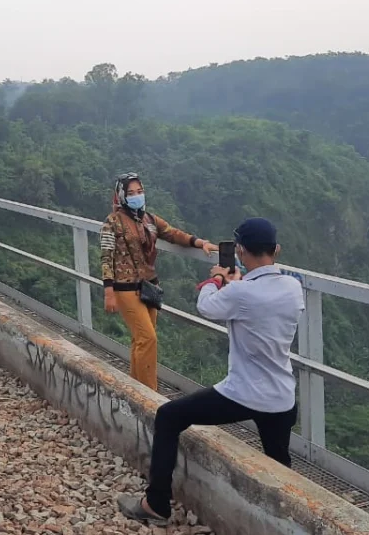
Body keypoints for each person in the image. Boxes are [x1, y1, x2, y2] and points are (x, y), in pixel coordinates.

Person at [117, 217, 302, 526]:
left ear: (240, 252)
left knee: (169, 417)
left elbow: (208, 306)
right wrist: (237, 285)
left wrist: (216, 279)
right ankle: (288, 524)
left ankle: (156, 505)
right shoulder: (293, 287)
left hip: (243, 393)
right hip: (282, 397)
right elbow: (258, 301)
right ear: (276, 250)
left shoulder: (240, 294)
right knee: (279, 466)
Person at [100, 172, 217, 390]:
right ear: (121, 195)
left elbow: (173, 234)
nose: (137, 196)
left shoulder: (149, 219)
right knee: (148, 338)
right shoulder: (112, 222)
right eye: (131, 193)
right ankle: (150, 394)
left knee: (140, 340)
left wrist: (200, 242)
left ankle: (136, 387)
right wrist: (109, 291)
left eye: (140, 192)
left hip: (150, 287)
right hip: (125, 289)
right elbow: (106, 256)